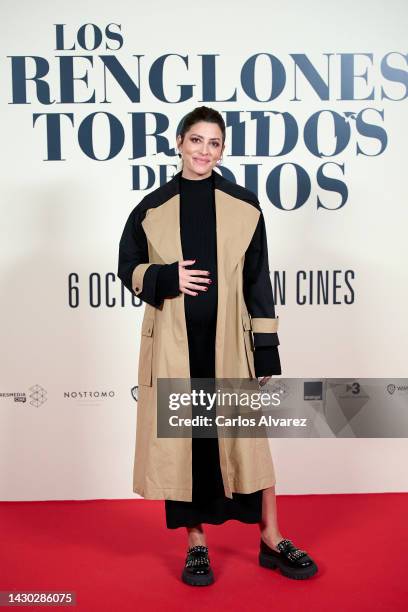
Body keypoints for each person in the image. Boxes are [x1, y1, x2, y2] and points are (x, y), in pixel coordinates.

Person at [117, 106, 318, 585]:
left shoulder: (245, 206)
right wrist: (168, 276)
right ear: (180, 143)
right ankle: (197, 544)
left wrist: (266, 348)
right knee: (190, 447)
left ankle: (272, 537)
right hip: (175, 347)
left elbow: (257, 280)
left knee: (249, 444)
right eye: (196, 140)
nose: (204, 150)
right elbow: (128, 268)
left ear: (221, 149)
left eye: (214, 143)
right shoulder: (151, 208)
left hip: (230, 345)